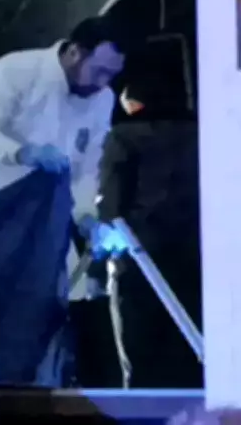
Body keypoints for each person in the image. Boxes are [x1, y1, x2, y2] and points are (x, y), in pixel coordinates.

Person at [0, 16, 127, 253]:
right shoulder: (14, 69)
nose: (103, 82)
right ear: (74, 52)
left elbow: (88, 167)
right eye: (99, 71)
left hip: (40, 214)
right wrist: (22, 153)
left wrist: (86, 215)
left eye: (111, 75)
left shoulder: (103, 99)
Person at [97, 70, 201, 388]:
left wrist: (106, 236)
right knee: (190, 353)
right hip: (196, 257)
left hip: (141, 257)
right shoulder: (203, 133)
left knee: (141, 354)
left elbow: (111, 203)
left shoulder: (124, 137)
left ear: (134, 103)